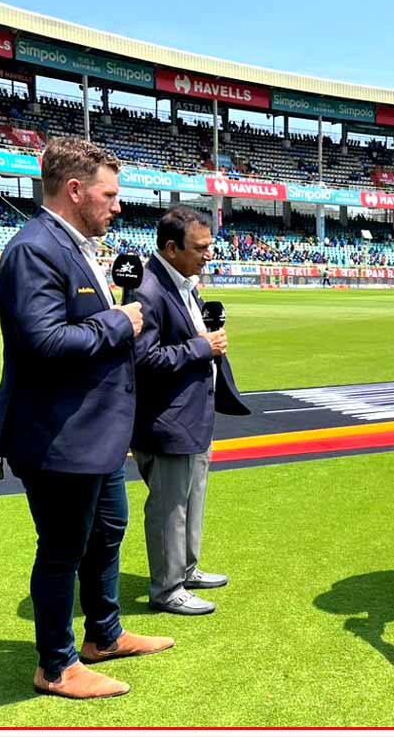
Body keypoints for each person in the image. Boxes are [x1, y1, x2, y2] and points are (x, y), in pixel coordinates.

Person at [0, 137, 174, 700]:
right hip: (57, 436)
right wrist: (120, 321)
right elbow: (43, 341)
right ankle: (56, 665)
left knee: (107, 532)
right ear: (74, 190)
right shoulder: (33, 249)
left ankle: (104, 635)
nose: (118, 206)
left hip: (94, 434)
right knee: (63, 548)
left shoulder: (71, 247)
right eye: (109, 194)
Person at [131, 206, 251, 616]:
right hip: (168, 418)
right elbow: (143, 360)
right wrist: (204, 346)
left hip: (194, 412)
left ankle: (187, 569)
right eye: (200, 248)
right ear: (170, 247)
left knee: (192, 498)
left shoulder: (184, 282)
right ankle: (167, 589)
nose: (208, 254)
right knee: (170, 507)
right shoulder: (147, 290)